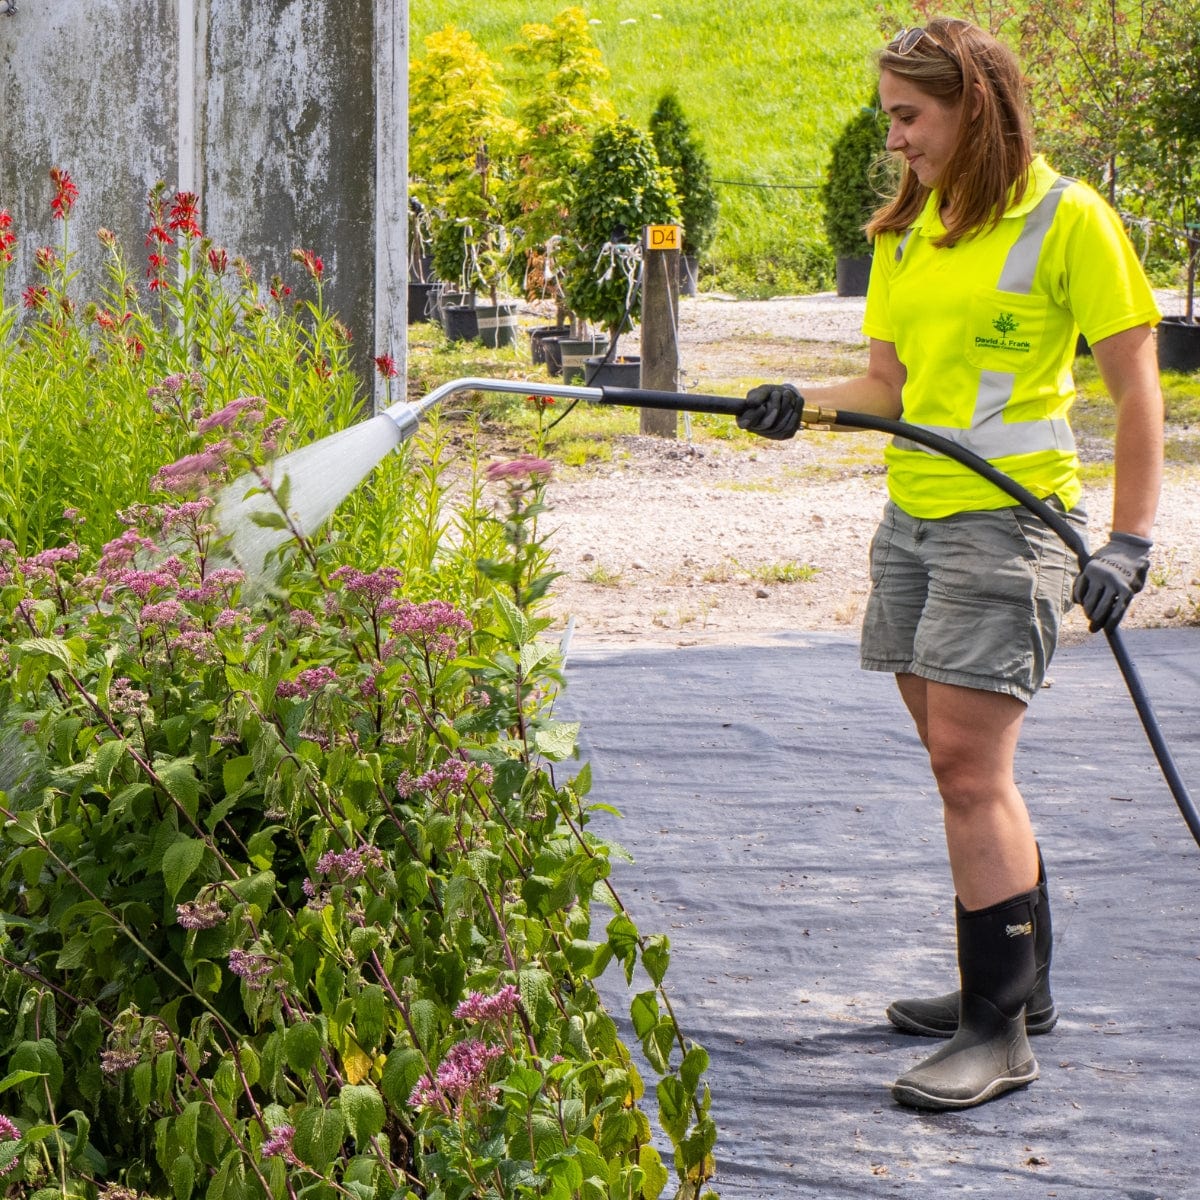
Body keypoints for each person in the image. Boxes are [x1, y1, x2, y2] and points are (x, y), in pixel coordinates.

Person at [738, 17, 1163, 1111]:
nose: (896, 141)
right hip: (914, 522)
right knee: (956, 760)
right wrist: (800, 403)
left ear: (975, 105)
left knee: (970, 774)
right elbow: (888, 390)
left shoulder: (1073, 220)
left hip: (1010, 529)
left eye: (909, 116)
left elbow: (1137, 388)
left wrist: (1130, 539)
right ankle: (1025, 984)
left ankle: (996, 1032)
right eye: (889, 118)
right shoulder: (907, 228)